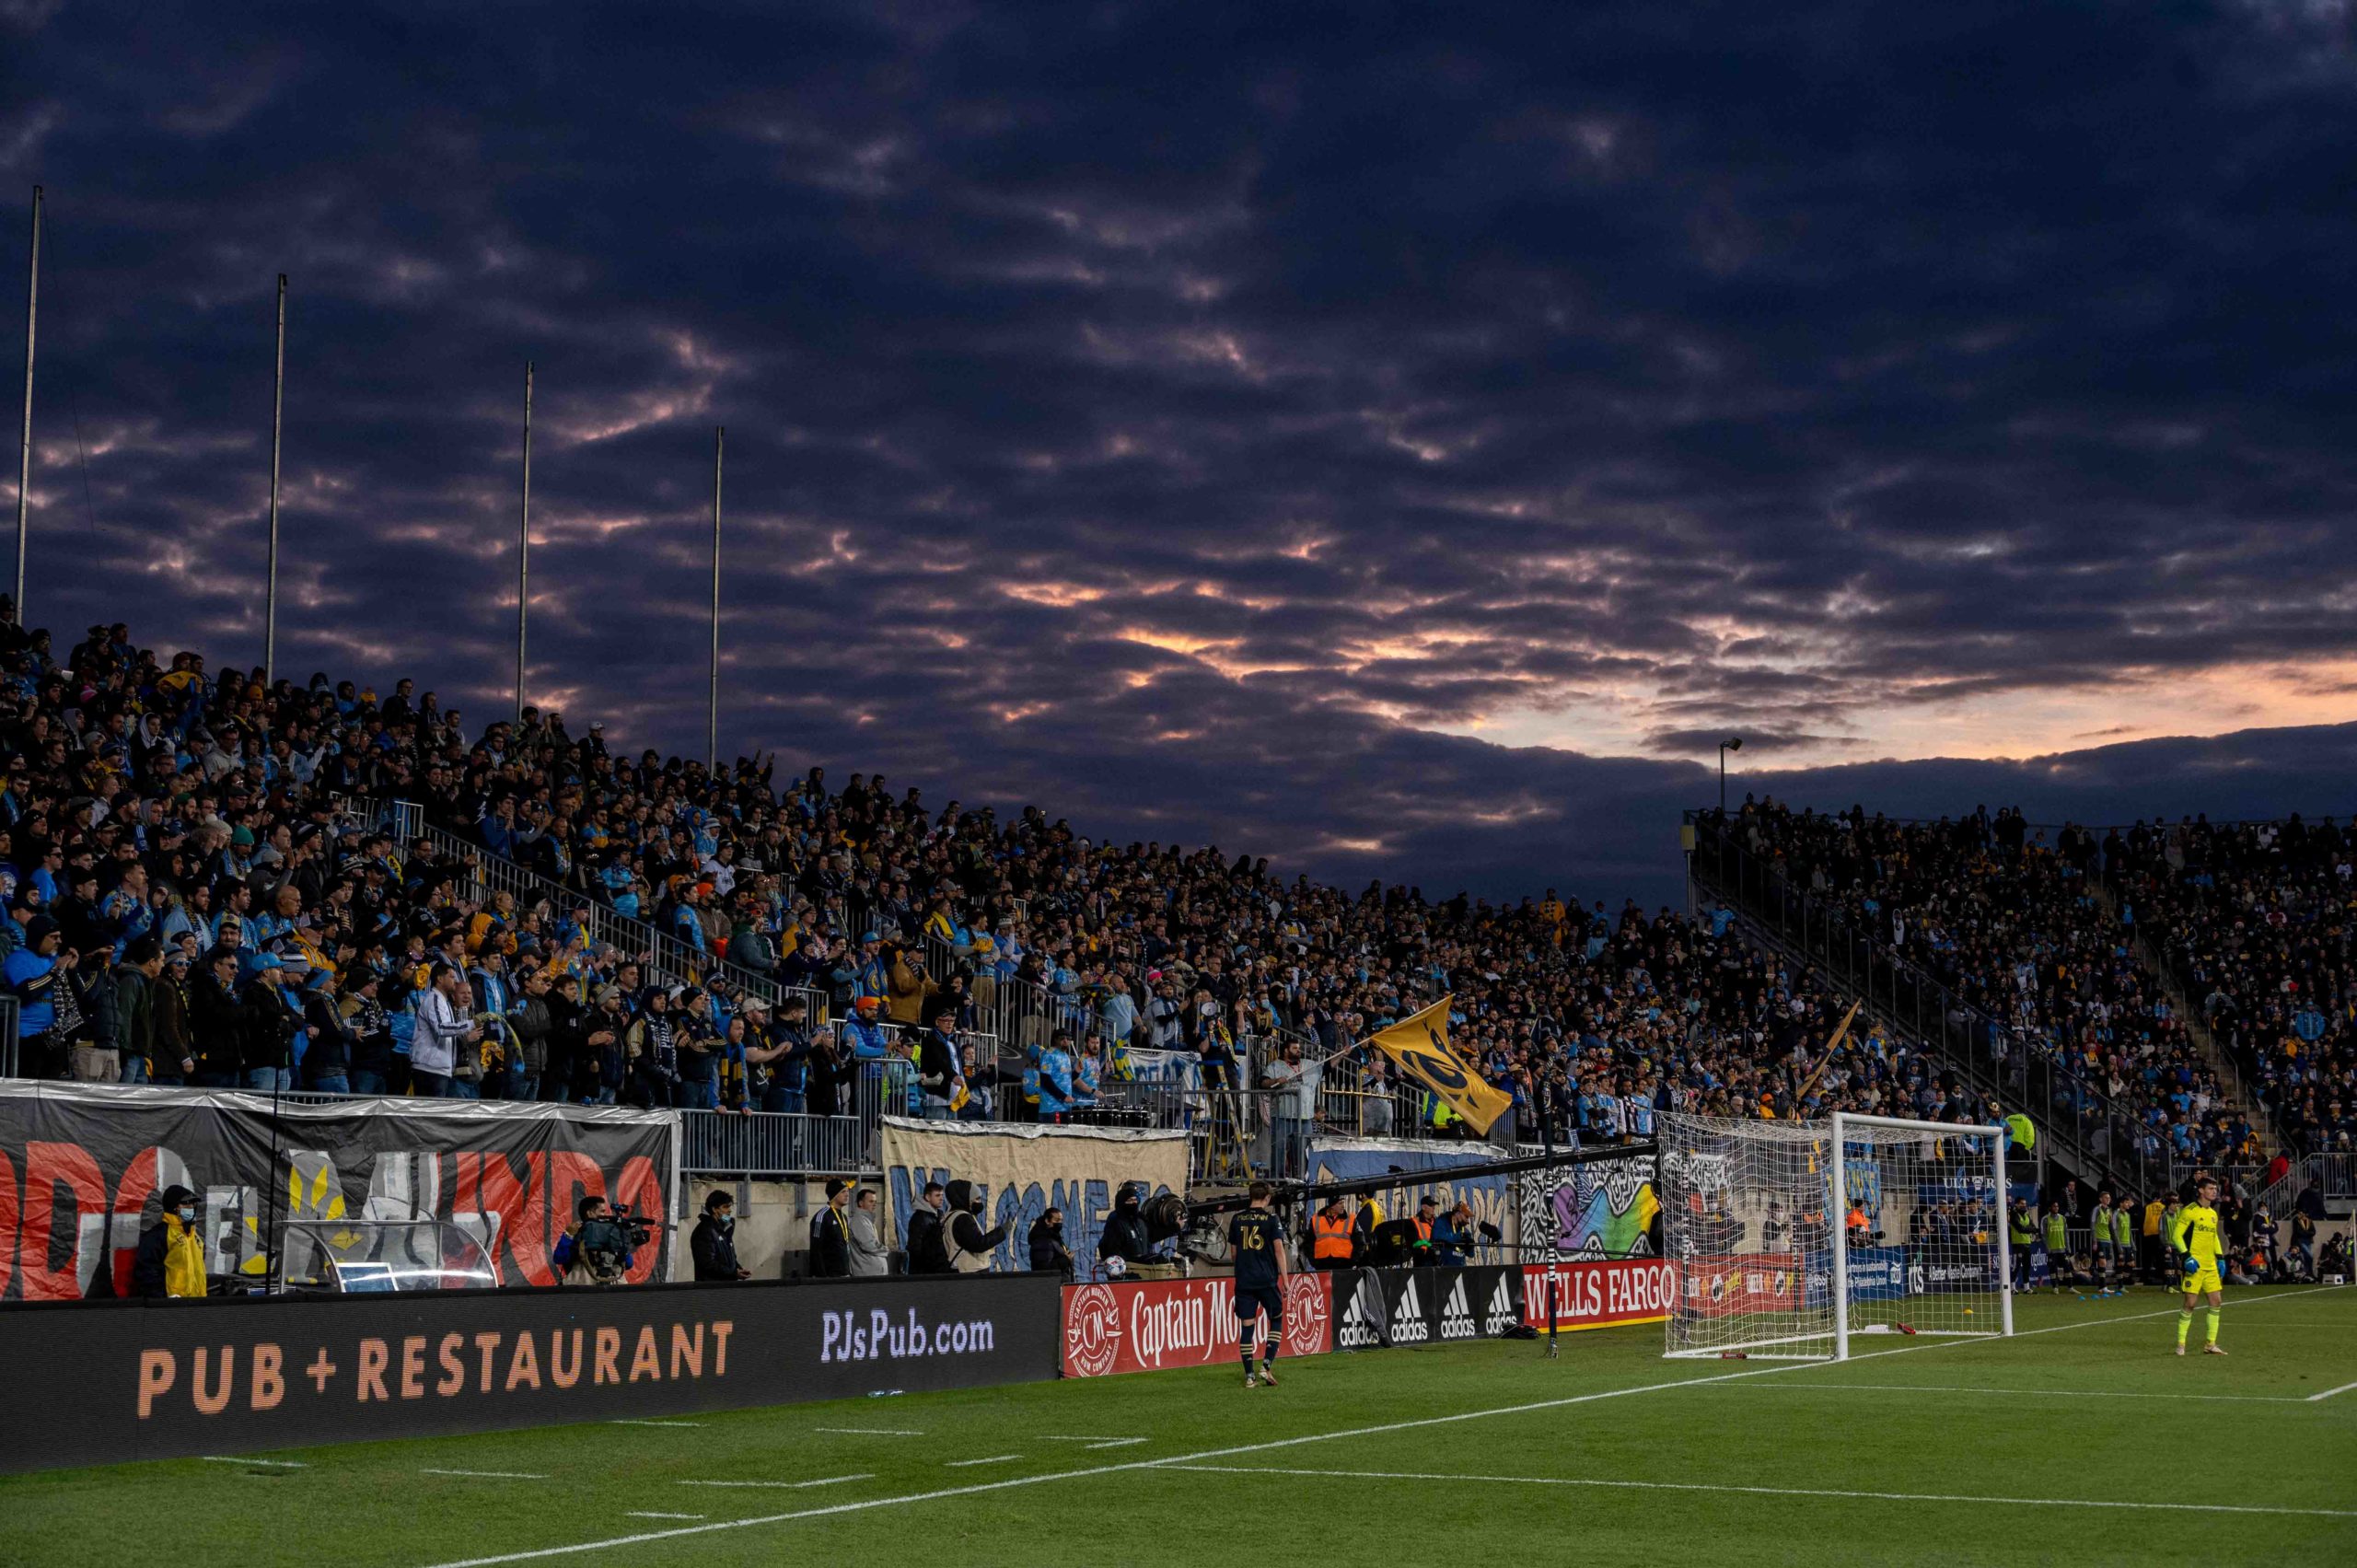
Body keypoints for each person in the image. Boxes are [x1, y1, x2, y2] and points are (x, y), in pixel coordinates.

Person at [1228, 1180, 1289, 1388]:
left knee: (1247, 1326)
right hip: (1266, 1279)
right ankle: (1266, 1366)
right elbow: (1279, 1250)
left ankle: (1249, 1377)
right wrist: (1286, 1280)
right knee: (1277, 1318)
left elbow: (1234, 1253)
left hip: (1244, 1280)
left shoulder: (1236, 1219)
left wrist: (1243, 1271)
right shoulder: (1271, 1220)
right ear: (1267, 1198)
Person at [2168, 1171, 2228, 1356]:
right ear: (2201, 1190)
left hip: (2210, 1265)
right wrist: (2187, 1257)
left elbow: (2214, 1237)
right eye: (2210, 1188)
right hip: (2194, 1264)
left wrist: (2220, 1258)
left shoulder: (2212, 1214)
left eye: (2215, 1189)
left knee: (2216, 1302)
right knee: (2190, 1304)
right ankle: (2180, 1344)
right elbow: (2176, 1235)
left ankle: (2210, 1344)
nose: (2214, 1192)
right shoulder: (2189, 1211)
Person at [130, 1184, 206, 1299]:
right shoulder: (159, 1235)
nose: (190, 1207)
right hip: (171, 1306)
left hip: (196, 1305)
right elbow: (146, 1271)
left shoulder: (195, 1237)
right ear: (173, 1206)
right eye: (185, 1204)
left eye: (192, 1204)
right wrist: (162, 1299)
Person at [942, 1179, 1008, 1272]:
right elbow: (978, 1244)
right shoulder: (962, 1218)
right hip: (970, 1273)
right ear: (965, 1199)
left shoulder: (950, 1216)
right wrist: (1002, 1231)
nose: (980, 1202)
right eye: (977, 1199)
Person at [691, 1191, 749, 1281]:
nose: (729, 1210)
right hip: (712, 1288)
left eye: (729, 1207)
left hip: (725, 1286)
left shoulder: (725, 1227)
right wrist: (733, 1273)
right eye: (725, 1207)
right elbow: (708, 1264)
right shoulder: (704, 1231)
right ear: (714, 1209)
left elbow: (730, 1256)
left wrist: (738, 1269)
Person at [1098, 1179, 1155, 1275]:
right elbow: (1109, 1248)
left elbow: (1150, 1240)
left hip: (1145, 1272)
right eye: (1130, 1200)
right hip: (1125, 1274)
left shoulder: (1141, 1219)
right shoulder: (1116, 1220)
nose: (1133, 1203)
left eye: (1135, 1200)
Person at [809, 1178, 853, 1278]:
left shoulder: (844, 1217)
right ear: (834, 1194)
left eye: (847, 1191)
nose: (847, 1194)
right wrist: (822, 1277)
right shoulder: (822, 1216)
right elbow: (816, 1249)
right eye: (843, 1192)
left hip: (844, 1274)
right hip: (829, 1276)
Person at [905, 1180, 950, 1273]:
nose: (941, 1198)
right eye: (937, 1195)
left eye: (942, 1195)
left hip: (936, 1268)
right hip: (924, 1271)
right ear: (927, 1197)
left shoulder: (939, 1215)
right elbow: (915, 1247)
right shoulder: (919, 1218)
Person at [848, 1188, 889, 1277]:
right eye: (871, 1201)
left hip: (872, 1273)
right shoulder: (859, 1221)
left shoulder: (866, 1220)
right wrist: (885, 1250)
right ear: (861, 1203)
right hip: (868, 1274)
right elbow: (869, 1245)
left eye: (875, 1202)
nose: (874, 1204)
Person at [1309, 1192, 1355, 1269]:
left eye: (1343, 1203)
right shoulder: (1315, 1219)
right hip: (1322, 1266)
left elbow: (1360, 1243)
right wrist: (1314, 1262)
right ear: (1332, 1205)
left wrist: (1351, 1262)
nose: (1343, 1206)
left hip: (1343, 1267)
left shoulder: (1350, 1219)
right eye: (1340, 1203)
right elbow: (1308, 1243)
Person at [1027, 1205, 1074, 1278]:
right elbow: (1043, 1270)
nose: (1060, 1223)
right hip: (1051, 1286)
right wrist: (1065, 1260)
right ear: (1047, 1221)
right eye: (1057, 1220)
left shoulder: (1055, 1238)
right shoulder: (1042, 1241)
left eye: (1061, 1220)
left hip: (1059, 1284)